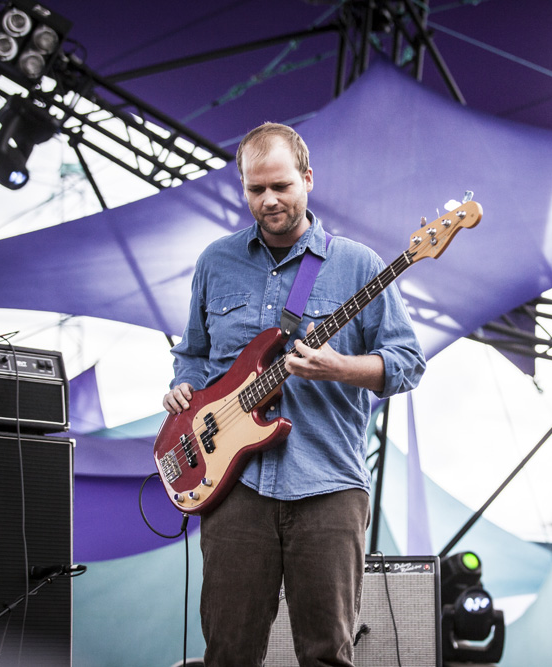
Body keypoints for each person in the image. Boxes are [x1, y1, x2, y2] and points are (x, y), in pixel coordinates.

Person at [162, 122, 426, 666]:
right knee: (228, 653)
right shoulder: (215, 261)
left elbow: (407, 364)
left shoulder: (358, 264)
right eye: (256, 189)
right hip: (234, 486)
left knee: (326, 653)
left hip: (328, 484)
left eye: (281, 186)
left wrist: (340, 368)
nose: (269, 200)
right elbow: (193, 352)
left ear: (307, 178)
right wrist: (182, 385)